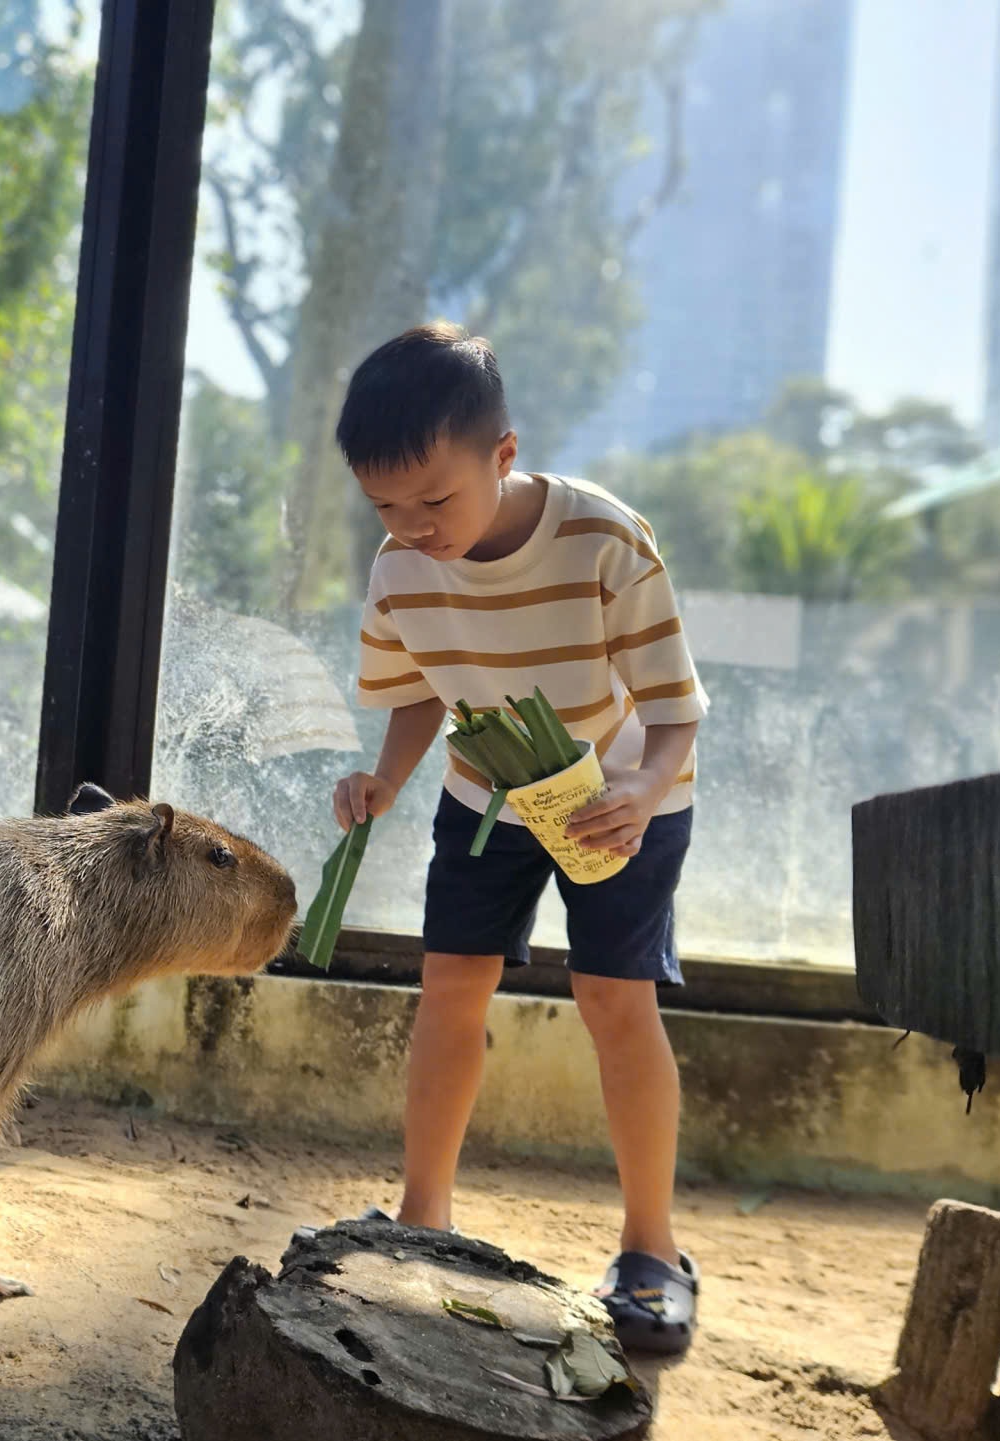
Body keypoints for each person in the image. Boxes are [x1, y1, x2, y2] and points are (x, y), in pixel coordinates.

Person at [327, 322, 708, 1354]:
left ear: (503, 454)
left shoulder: (603, 539)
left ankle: (652, 1249)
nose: (413, 527)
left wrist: (640, 788)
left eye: (434, 500)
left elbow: (675, 706)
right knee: (449, 983)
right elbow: (419, 689)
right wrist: (385, 778)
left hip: (616, 794)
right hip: (486, 788)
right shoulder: (400, 570)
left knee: (613, 998)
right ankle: (423, 1216)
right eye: (386, 507)